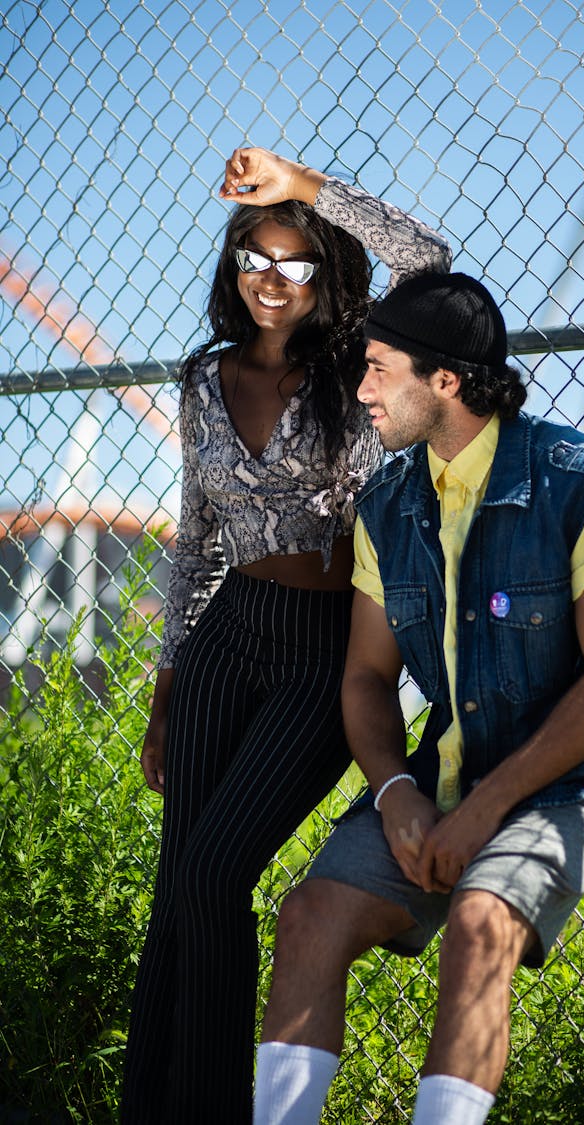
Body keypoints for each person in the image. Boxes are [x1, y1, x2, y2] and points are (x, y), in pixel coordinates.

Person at [251, 271, 584, 1125]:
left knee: (482, 918)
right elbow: (367, 676)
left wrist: (487, 808)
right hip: (440, 780)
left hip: (572, 781)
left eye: (377, 369)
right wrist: (396, 791)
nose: (360, 390)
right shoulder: (387, 504)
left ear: (445, 380)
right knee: (308, 916)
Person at [120, 148, 451, 1125]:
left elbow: (427, 258)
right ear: (234, 271)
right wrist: (167, 686)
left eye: (297, 263)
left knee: (220, 872)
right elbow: (197, 540)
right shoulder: (203, 380)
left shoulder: (357, 367)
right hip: (227, 635)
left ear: (327, 278)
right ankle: (155, 1106)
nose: (273, 279)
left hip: (326, 646)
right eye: (256, 261)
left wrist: (300, 187)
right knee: (180, 888)